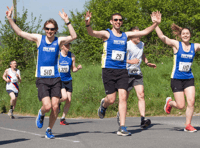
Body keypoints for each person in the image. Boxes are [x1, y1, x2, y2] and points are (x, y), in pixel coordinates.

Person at [85, 11, 161, 136]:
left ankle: (122, 127)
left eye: (120, 20)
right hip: (108, 70)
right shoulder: (107, 34)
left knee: (123, 97)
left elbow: (143, 32)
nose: (118, 22)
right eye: (115, 20)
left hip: (122, 71)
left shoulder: (126, 35)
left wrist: (155, 23)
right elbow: (92, 33)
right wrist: (88, 24)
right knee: (111, 99)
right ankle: (103, 105)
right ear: (111, 21)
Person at [6, 6, 77, 138]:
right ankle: (41, 112)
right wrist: (10, 19)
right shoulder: (39, 39)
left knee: (56, 106)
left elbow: (74, 36)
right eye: (47, 29)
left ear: (56, 30)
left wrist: (67, 21)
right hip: (42, 79)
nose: (49, 31)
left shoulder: (59, 40)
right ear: (44, 29)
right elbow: (20, 32)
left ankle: (49, 129)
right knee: (48, 106)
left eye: (52, 29)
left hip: (56, 78)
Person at [155, 17, 200, 132]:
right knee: (181, 106)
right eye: (183, 34)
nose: (185, 35)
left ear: (190, 35)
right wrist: (156, 24)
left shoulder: (195, 46)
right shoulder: (176, 45)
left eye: (187, 33)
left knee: (191, 101)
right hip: (177, 79)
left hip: (189, 78)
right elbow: (162, 37)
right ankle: (169, 102)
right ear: (180, 35)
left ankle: (188, 125)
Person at [116, 27, 156, 128]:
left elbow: (142, 53)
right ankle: (120, 113)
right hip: (126, 73)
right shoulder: (126, 45)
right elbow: (119, 58)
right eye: (136, 34)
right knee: (125, 97)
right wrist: (131, 62)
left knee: (141, 95)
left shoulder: (141, 44)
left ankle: (143, 119)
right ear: (131, 36)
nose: (139, 36)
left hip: (137, 73)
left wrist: (147, 62)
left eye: (140, 34)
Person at [59, 43, 82, 125]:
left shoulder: (71, 55)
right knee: (64, 97)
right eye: (66, 46)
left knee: (69, 100)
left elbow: (73, 69)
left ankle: (63, 118)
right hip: (60, 80)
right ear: (62, 46)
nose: (68, 47)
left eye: (69, 45)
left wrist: (78, 68)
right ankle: (56, 102)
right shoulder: (58, 55)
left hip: (68, 80)